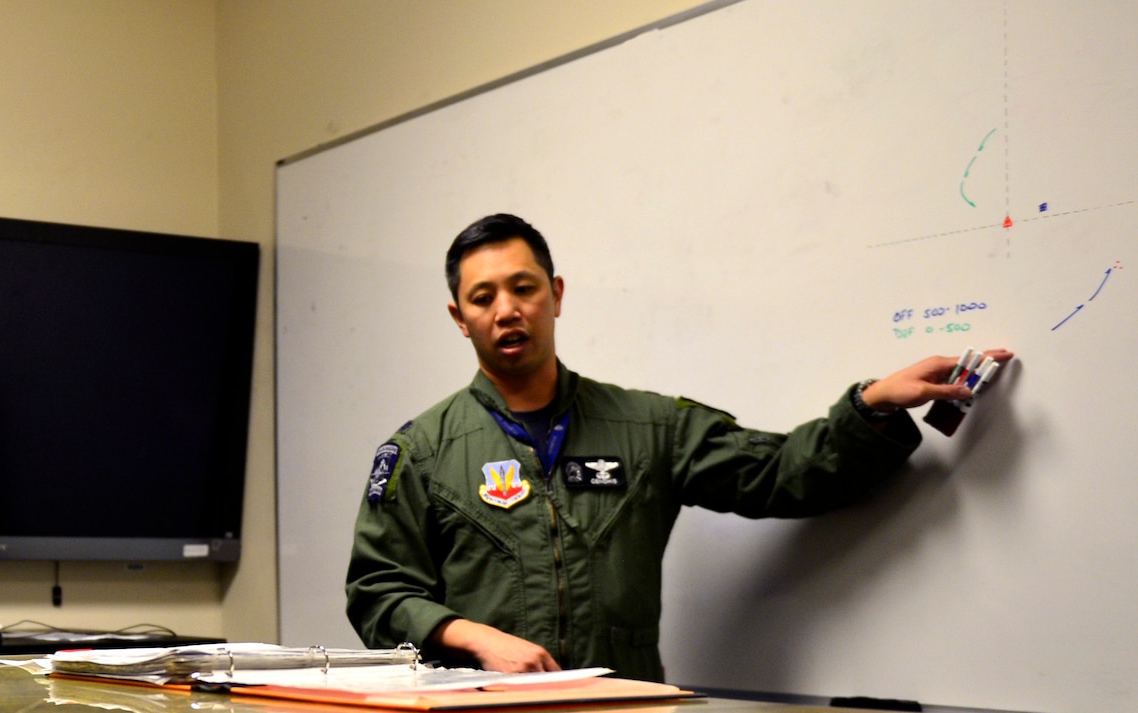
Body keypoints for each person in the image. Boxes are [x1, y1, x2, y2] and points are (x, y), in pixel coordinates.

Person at [345, 213, 1014, 680]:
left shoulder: (648, 428)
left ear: (555, 295)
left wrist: (869, 406)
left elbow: (779, 473)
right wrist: (472, 635)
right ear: (460, 320)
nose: (506, 309)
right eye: (482, 297)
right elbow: (376, 592)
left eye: (523, 288)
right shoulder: (422, 452)